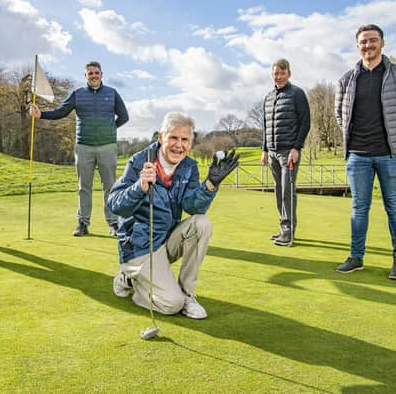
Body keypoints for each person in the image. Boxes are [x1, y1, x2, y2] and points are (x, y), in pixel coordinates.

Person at [108, 112, 239, 319]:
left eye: (185, 139)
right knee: (171, 304)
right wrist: (139, 187)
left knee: (202, 223)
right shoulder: (139, 161)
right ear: (161, 138)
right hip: (138, 247)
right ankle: (131, 280)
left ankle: (187, 296)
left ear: (191, 142)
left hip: (166, 241)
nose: (179, 145)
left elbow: (193, 207)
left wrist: (210, 184)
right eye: (173, 138)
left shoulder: (189, 167)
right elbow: (115, 205)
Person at [334, 24, 396, 280]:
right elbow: (339, 114)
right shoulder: (346, 79)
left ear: (382, 43)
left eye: (372, 40)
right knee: (359, 208)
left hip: (390, 154)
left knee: (395, 207)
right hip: (358, 155)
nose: (368, 45)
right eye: (363, 42)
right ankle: (356, 257)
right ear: (357, 45)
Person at [29, 61, 129, 237]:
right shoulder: (78, 94)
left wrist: (110, 129)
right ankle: (83, 223)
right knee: (84, 186)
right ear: (85, 76)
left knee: (110, 186)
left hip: (107, 146)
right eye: (90, 73)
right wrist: (41, 114)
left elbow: (124, 116)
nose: (93, 75)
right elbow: (61, 112)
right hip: (84, 147)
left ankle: (113, 223)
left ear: (101, 74)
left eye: (96, 72)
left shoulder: (112, 94)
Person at [260, 59, 311, 246]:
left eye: (282, 73)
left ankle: (289, 231)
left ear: (288, 73)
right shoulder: (268, 97)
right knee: (278, 190)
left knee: (287, 191)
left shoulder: (297, 94)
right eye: (275, 73)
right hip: (272, 152)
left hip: (288, 152)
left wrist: (297, 148)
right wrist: (264, 150)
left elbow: (305, 123)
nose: (278, 76)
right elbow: (265, 126)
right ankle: (283, 228)